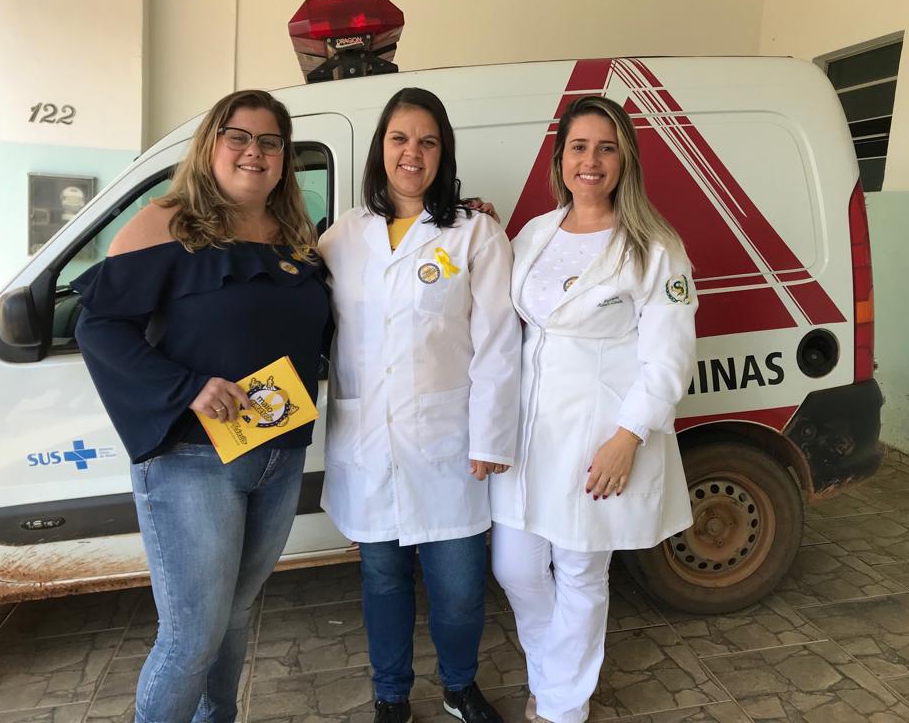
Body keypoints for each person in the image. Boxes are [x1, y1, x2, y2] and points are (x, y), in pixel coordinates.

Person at [72, 90, 329, 723]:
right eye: (238, 136)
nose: (254, 152)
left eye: (270, 142)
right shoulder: (169, 222)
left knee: (234, 614)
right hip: (193, 459)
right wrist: (186, 386)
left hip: (278, 454)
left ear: (285, 158)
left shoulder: (295, 237)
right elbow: (99, 326)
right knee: (190, 638)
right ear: (211, 144)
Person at [490, 95, 697, 723]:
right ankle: (553, 679)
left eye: (607, 148)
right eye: (579, 147)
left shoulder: (655, 247)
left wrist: (627, 437)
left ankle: (562, 707)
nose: (591, 160)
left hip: (599, 435)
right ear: (560, 159)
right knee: (516, 567)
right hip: (529, 433)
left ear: (625, 160)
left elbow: (669, 360)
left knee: (580, 570)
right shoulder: (535, 233)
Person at [318, 87, 521, 723]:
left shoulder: (475, 233)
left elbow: (498, 343)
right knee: (382, 580)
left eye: (428, 141)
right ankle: (392, 696)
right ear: (381, 149)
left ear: (444, 153)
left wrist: (490, 437)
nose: (413, 152)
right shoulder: (342, 236)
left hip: (449, 445)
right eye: (400, 138)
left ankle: (459, 687)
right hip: (369, 443)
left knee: (458, 588)